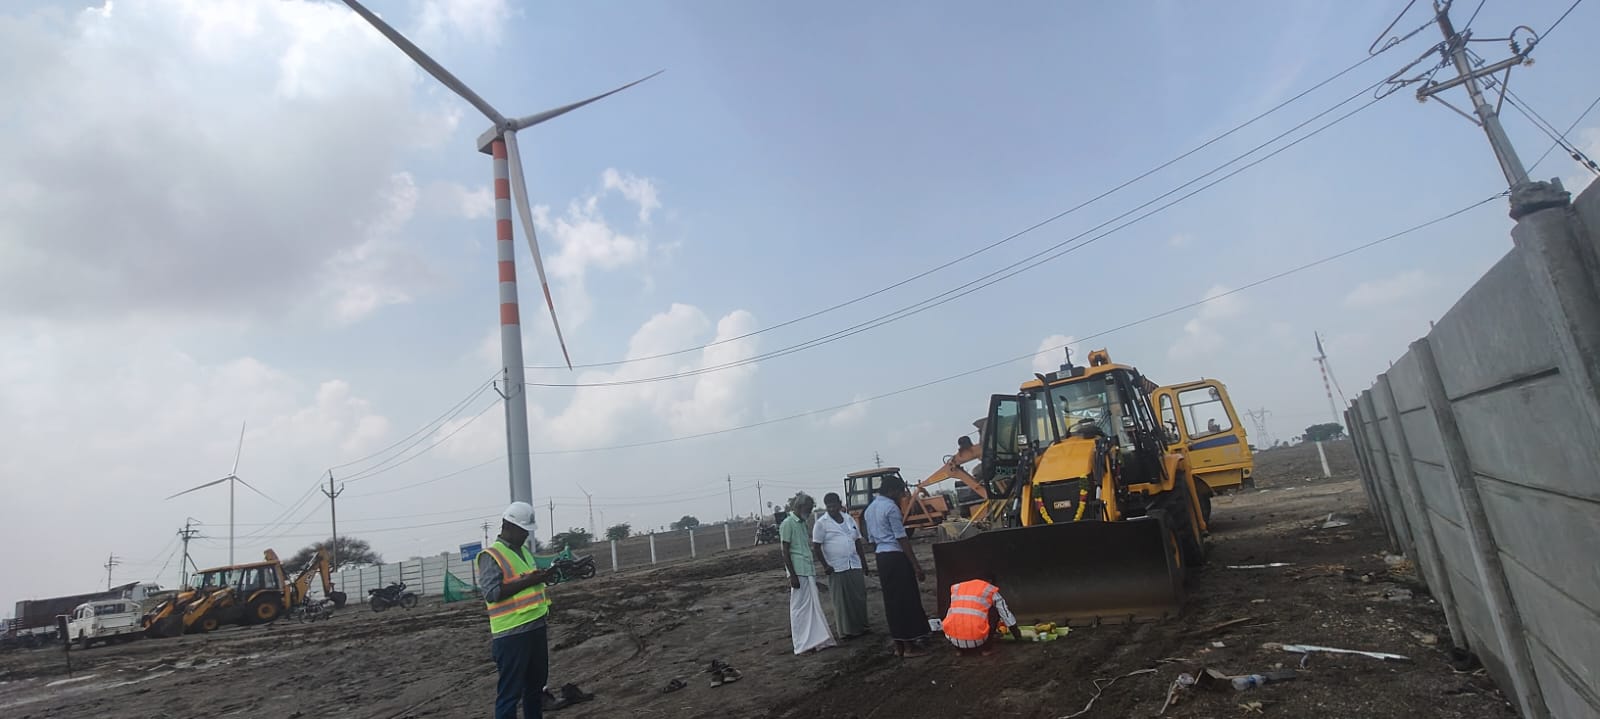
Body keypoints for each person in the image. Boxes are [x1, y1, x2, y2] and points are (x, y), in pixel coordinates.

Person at [477, 501, 554, 719]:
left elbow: (527, 584)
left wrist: (540, 579)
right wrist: (530, 580)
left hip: (535, 628)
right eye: (523, 531)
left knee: (535, 690)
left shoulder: (524, 552)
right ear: (508, 526)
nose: (525, 536)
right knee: (509, 695)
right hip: (511, 634)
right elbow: (492, 593)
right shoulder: (491, 556)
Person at [863, 475, 930, 658]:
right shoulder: (891, 508)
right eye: (900, 492)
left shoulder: (869, 510)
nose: (902, 496)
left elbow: (871, 540)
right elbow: (902, 538)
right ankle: (910, 646)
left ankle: (899, 645)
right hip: (896, 557)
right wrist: (916, 566)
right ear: (892, 490)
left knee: (892, 601)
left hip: (881, 558)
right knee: (905, 600)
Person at [780, 492, 836, 655]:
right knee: (799, 608)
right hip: (798, 571)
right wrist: (792, 575)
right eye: (808, 508)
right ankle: (802, 644)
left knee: (812, 607)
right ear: (799, 507)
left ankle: (815, 640)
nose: (810, 511)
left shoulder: (802, 523)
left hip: (807, 569)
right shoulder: (787, 523)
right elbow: (785, 551)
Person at [811, 492, 871, 640]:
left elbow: (857, 541)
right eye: (828, 506)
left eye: (834, 505)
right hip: (836, 567)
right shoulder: (821, 524)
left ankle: (862, 626)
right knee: (842, 601)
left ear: (839, 503)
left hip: (854, 564)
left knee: (859, 596)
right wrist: (825, 565)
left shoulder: (849, 519)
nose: (831, 508)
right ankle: (847, 631)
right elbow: (816, 547)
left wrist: (864, 563)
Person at [941, 574, 1018, 656]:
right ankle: (986, 649)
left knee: (957, 611)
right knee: (994, 612)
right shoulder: (990, 589)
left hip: (953, 639)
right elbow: (1005, 612)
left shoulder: (957, 588)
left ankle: (959, 650)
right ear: (990, 582)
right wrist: (1016, 633)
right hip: (978, 640)